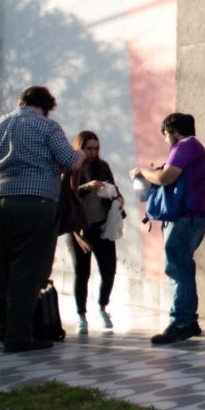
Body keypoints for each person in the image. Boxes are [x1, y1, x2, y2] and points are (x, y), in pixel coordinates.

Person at [0, 85, 83, 353]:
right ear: (46, 106)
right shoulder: (47, 127)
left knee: (3, 270)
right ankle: (20, 337)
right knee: (28, 270)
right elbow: (70, 161)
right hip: (34, 203)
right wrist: (80, 154)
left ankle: (2, 329)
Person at [131, 112, 205, 344]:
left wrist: (143, 172)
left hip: (185, 216)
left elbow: (167, 177)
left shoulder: (185, 146)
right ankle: (189, 320)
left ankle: (181, 322)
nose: (166, 140)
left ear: (173, 131)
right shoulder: (194, 147)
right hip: (193, 214)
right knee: (183, 266)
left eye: (165, 135)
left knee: (177, 268)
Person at [65, 130, 122, 334]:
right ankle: (81, 315)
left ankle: (103, 307)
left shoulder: (102, 166)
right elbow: (66, 197)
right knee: (82, 272)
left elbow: (114, 188)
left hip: (101, 223)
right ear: (80, 148)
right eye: (89, 148)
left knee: (109, 270)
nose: (93, 152)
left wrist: (118, 198)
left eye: (96, 148)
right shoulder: (71, 168)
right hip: (78, 227)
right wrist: (86, 187)